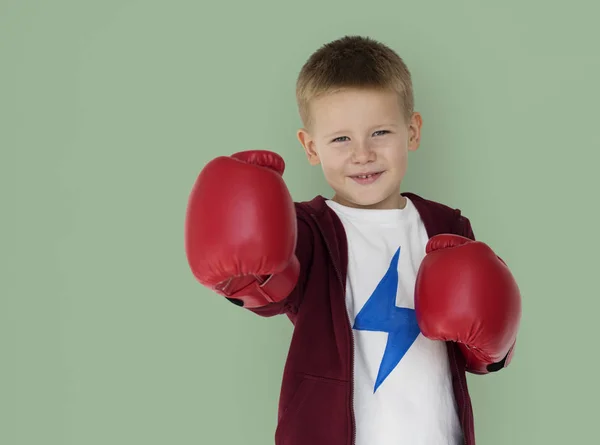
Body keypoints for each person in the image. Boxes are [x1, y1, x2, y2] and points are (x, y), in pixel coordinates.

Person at [184, 35, 522, 445]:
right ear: (311, 147)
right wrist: (240, 274)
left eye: (380, 132)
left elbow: (482, 349)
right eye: (341, 139)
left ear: (412, 131)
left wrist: (493, 345)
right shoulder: (307, 229)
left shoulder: (445, 226)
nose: (362, 154)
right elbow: (270, 290)